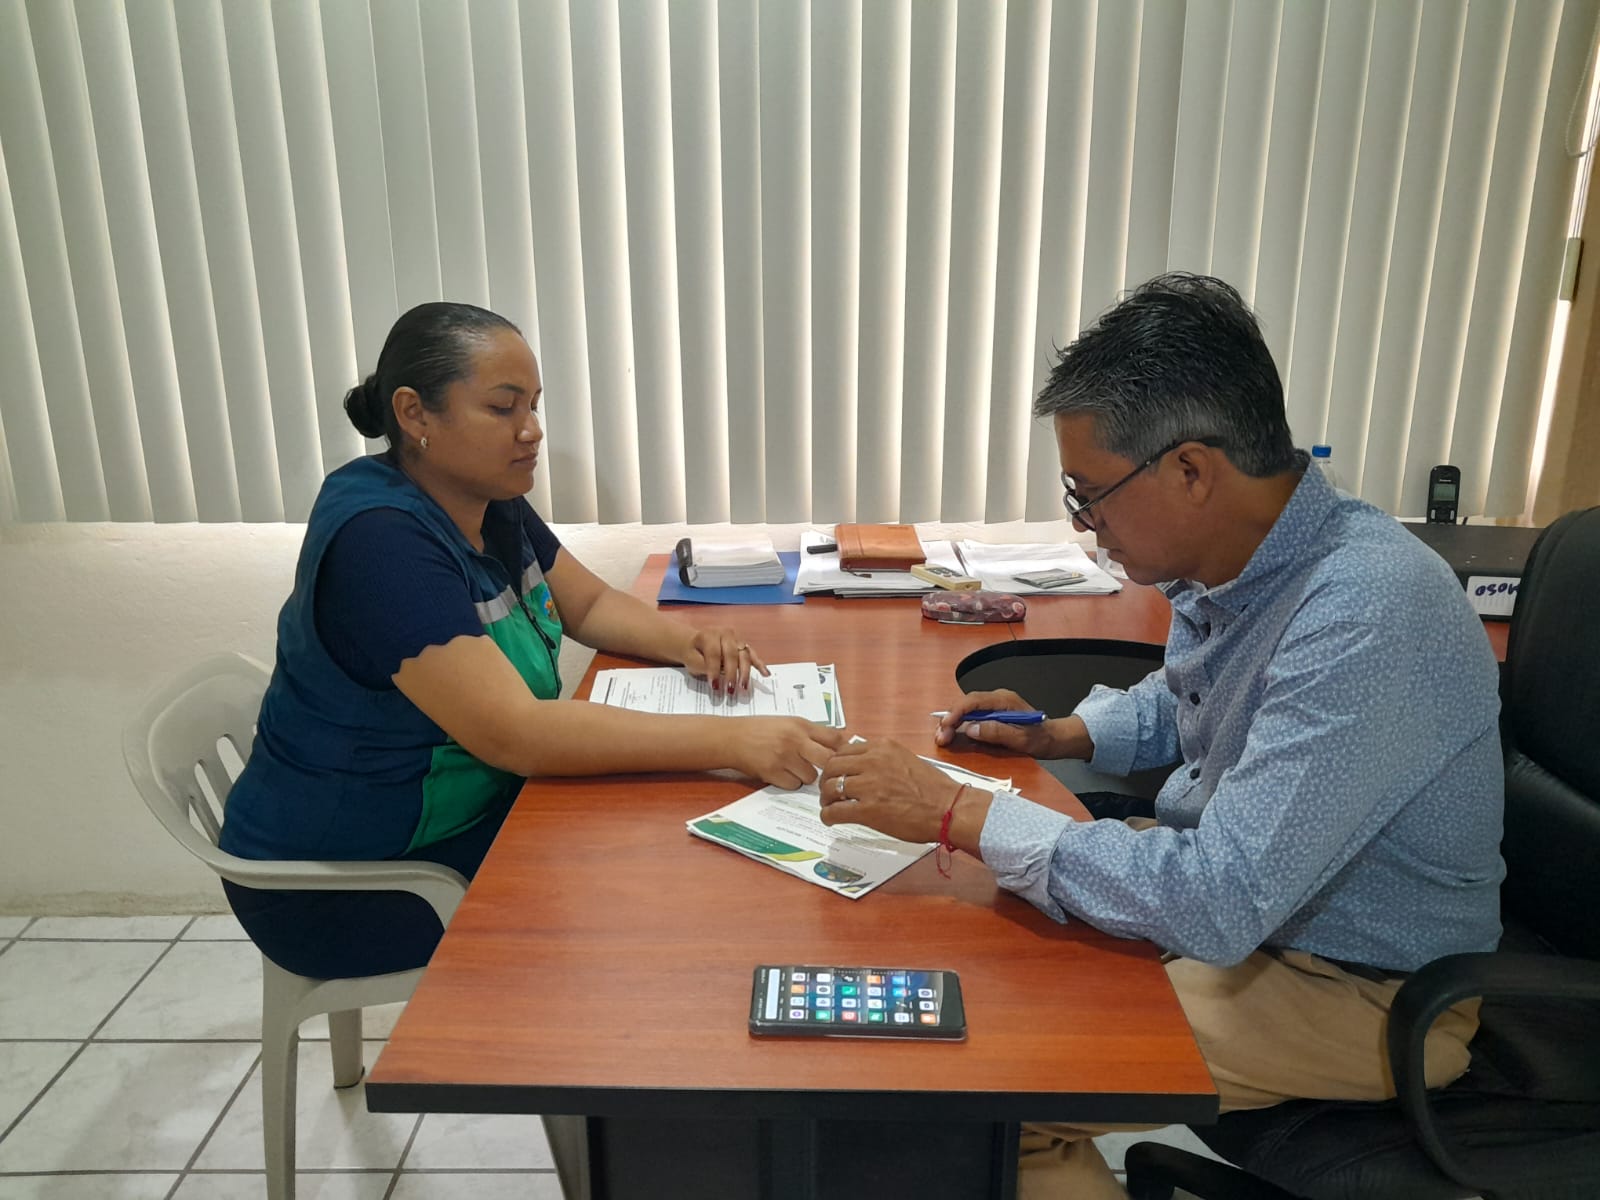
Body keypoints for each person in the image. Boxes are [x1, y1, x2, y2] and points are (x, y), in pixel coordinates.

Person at [816, 274, 1504, 1198]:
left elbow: (1220, 900)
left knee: (983, 1097)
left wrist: (961, 812)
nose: (1085, 525)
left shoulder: (1367, 611)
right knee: (963, 952)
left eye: (1090, 494)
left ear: (1189, 470)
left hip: (1360, 985)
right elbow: (1189, 698)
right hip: (1250, 917)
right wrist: (1061, 733)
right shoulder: (1238, 558)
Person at [220, 301, 845, 980]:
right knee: (653, 884)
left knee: (663, 839)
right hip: (352, 880)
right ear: (414, 414)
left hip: (466, 816)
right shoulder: (380, 543)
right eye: (503, 407)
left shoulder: (485, 496)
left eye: (534, 406)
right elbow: (515, 735)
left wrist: (687, 644)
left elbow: (590, 603)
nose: (532, 430)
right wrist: (735, 741)